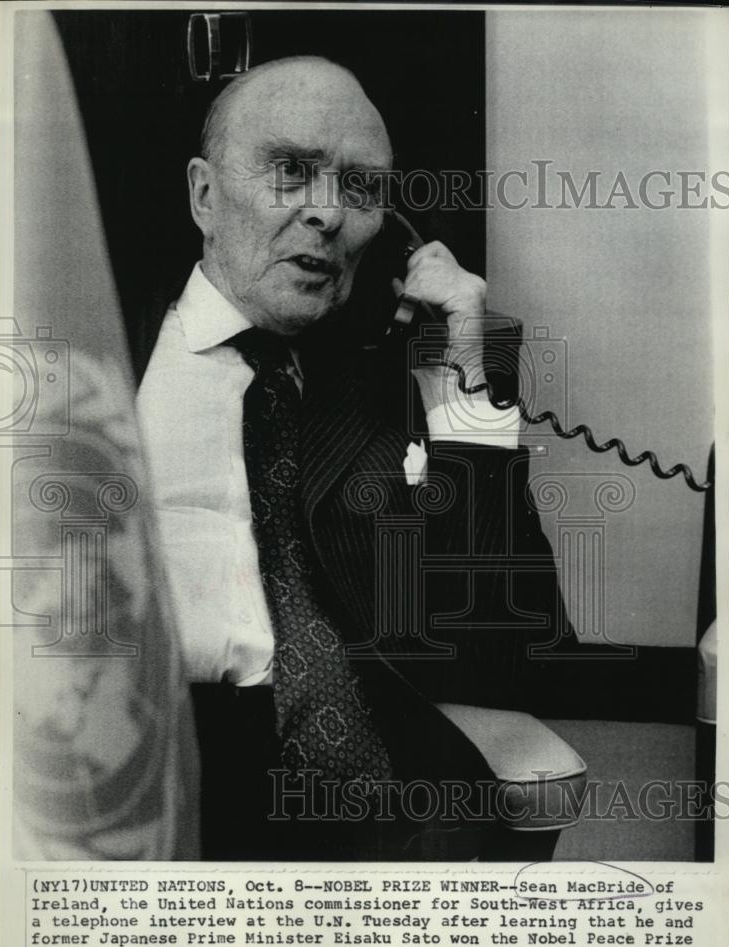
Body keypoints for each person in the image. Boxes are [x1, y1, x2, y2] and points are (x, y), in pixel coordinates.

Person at [137, 56, 568, 861]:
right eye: (291, 172)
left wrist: (465, 371)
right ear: (204, 194)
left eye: (362, 189)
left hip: (364, 778)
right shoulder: (104, 363)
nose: (328, 214)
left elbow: (509, 649)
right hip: (162, 749)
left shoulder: (390, 388)